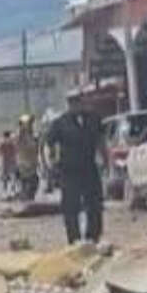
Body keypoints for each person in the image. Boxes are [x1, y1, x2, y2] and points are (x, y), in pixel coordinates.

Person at [47, 96, 106, 244]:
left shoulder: (94, 119)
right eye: (72, 103)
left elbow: (101, 141)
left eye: (79, 102)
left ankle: (93, 237)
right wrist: (52, 163)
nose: (76, 106)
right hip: (69, 170)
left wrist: (105, 159)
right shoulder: (60, 123)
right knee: (70, 206)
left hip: (89, 167)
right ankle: (74, 239)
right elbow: (49, 143)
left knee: (95, 205)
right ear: (68, 105)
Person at [15, 115, 40, 201]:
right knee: (27, 182)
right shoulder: (20, 136)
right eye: (29, 124)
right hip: (24, 164)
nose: (30, 126)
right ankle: (24, 198)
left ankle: (28, 198)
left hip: (32, 163)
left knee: (33, 183)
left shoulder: (33, 137)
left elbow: (36, 149)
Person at [0, 131, 17, 195]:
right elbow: (14, 152)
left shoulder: (4, 144)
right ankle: (10, 188)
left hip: (7, 161)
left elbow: (0, 153)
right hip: (8, 161)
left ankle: (8, 188)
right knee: (9, 176)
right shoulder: (10, 144)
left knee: (8, 176)